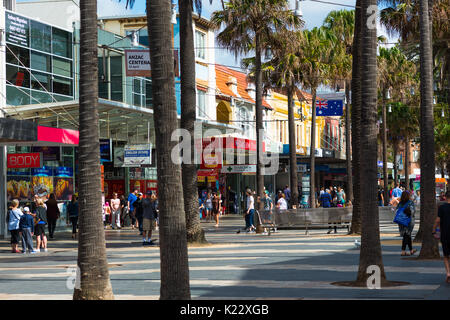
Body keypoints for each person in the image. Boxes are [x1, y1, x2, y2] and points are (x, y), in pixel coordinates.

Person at [433, 190, 450, 283]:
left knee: (446, 255)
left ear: (445, 197)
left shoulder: (442, 208)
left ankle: (448, 273)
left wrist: (433, 230)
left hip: (445, 234)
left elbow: (437, 220)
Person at [395, 191, 417, 256]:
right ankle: (403, 251)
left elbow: (396, 212)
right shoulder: (410, 203)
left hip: (401, 221)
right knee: (406, 235)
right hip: (409, 221)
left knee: (407, 235)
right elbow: (413, 211)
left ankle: (411, 250)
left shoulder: (400, 203)